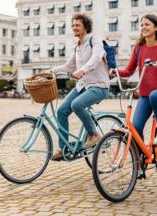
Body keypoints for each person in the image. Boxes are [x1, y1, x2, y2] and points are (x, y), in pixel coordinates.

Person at [109, 14, 157, 145]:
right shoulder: (138, 48)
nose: (143, 27)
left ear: (156, 28)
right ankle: (140, 160)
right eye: (142, 25)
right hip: (146, 96)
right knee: (135, 128)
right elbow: (129, 70)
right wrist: (116, 72)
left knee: (155, 95)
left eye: (147, 24)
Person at [47, 13, 110, 160]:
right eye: (73, 25)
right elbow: (69, 66)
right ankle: (63, 149)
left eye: (77, 25)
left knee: (77, 105)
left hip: (99, 86)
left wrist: (82, 70)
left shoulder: (95, 40)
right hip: (82, 86)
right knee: (61, 111)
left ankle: (93, 134)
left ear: (85, 27)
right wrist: (50, 72)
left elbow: (97, 57)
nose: (74, 28)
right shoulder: (77, 47)